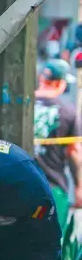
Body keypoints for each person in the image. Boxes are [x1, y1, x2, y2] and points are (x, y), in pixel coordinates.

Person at [34, 59, 82, 226]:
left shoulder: (19, 105)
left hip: (18, 184)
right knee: (51, 243)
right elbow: (73, 151)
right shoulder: (68, 111)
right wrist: (78, 187)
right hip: (52, 186)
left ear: (42, 79)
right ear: (60, 83)